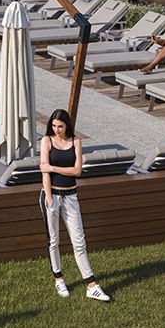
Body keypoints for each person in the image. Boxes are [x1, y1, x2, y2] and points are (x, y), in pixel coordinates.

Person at [41, 108, 111, 302]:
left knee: (79, 241)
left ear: (67, 125)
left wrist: (53, 167)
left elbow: (77, 171)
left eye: (60, 126)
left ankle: (91, 285)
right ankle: (59, 279)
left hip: (71, 196)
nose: (57, 130)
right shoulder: (46, 141)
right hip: (51, 195)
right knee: (54, 240)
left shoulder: (76, 142)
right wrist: (48, 198)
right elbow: (43, 172)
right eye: (54, 126)